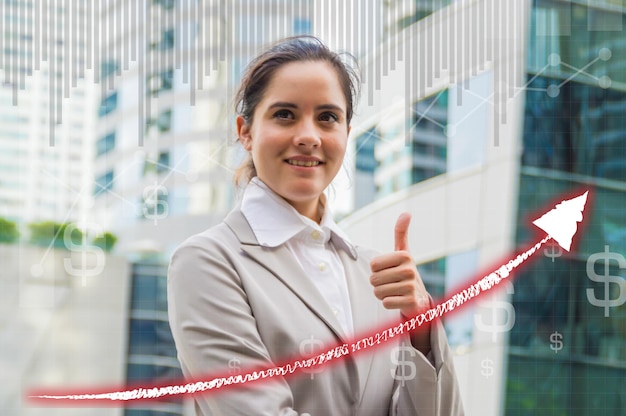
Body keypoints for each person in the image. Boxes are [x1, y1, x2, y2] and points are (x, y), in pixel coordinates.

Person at [167, 36, 464, 416]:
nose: (308, 137)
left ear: (346, 133)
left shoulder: (379, 278)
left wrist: (421, 326)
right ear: (245, 131)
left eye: (327, 117)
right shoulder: (208, 262)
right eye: (285, 114)